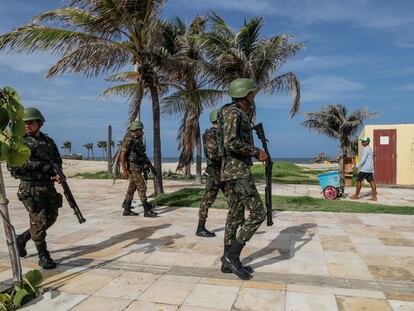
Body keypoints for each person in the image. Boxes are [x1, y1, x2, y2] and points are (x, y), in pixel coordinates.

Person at [218, 78, 268, 280]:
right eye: (252, 94)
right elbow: (231, 143)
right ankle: (232, 256)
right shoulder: (233, 113)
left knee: (236, 215)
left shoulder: (233, 112)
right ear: (246, 95)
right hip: (237, 172)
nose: (253, 97)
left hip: (233, 171)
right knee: (258, 213)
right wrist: (256, 151)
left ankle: (226, 260)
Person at [9, 107, 63, 269]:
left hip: (48, 186)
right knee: (38, 220)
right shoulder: (20, 141)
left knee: (51, 218)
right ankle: (43, 256)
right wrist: (41, 166)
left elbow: (57, 160)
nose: (27, 125)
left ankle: (23, 238)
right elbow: (14, 167)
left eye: (31, 122)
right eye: (25, 123)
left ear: (39, 123)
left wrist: (57, 172)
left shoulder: (48, 142)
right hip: (30, 187)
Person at [196, 109, 226, 237]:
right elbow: (214, 154)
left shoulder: (221, 133)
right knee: (207, 200)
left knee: (234, 198)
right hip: (214, 172)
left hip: (224, 172)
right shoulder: (210, 134)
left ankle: (237, 223)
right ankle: (200, 228)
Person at [120, 121, 157, 217]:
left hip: (138, 167)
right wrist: (124, 170)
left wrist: (145, 164)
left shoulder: (139, 140)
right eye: (141, 130)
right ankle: (146, 210)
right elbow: (122, 155)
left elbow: (140, 155)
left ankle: (127, 209)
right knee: (142, 187)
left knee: (132, 188)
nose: (142, 132)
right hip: (133, 168)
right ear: (136, 130)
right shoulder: (128, 140)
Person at [351, 136, 377, 201]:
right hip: (370, 168)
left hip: (365, 168)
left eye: (363, 141)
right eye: (361, 141)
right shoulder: (370, 149)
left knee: (359, 181)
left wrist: (356, 166)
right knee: (372, 181)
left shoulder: (366, 149)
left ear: (367, 142)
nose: (362, 142)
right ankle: (374, 197)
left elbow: (363, 160)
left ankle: (356, 196)